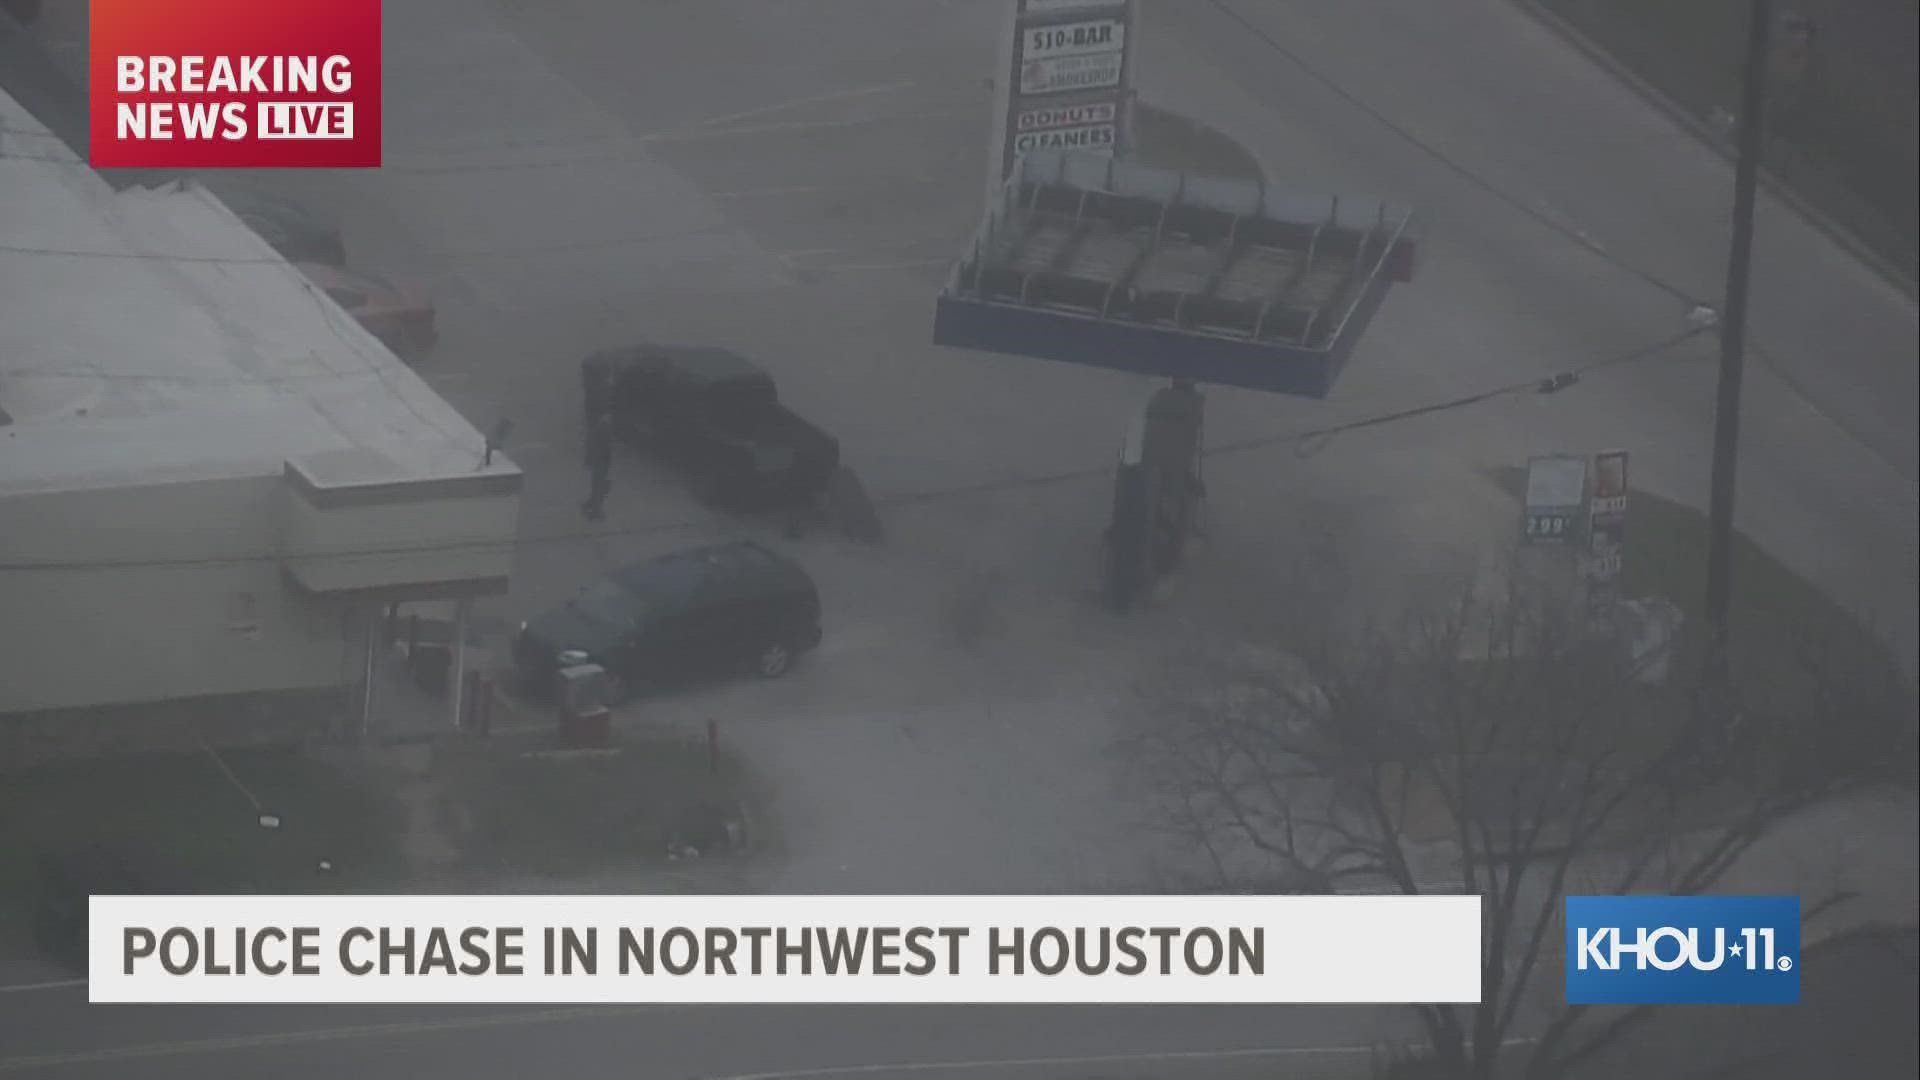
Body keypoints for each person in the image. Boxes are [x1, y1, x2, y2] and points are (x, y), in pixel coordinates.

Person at [581, 412, 613, 520]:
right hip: (601, 460)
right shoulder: (604, 427)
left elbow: (590, 445)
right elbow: (605, 446)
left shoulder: (595, 429)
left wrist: (589, 459)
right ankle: (595, 510)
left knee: (597, 484)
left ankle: (592, 503)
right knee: (600, 485)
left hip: (598, 460)